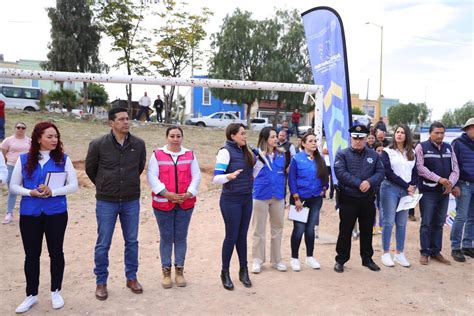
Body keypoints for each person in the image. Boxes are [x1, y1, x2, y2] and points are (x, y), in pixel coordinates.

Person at [10, 122, 78, 313]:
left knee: (56, 252)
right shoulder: (23, 160)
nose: (54, 140)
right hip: (30, 213)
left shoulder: (64, 159)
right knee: (31, 255)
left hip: (56, 213)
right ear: (38, 138)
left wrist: (53, 191)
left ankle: (56, 291)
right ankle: (31, 295)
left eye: (56, 136)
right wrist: (30, 192)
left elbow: (73, 185)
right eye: (49, 136)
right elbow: (14, 185)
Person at [86, 107, 147, 300]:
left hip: (130, 200)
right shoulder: (97, 144)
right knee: (103, 243)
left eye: (127, 119)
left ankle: (131, 277)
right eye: (121, 119)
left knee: (132, 241)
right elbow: (90, 169)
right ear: (111, 123)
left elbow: (139, 167)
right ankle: (101, 282)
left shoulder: (138, 144)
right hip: (106, 201)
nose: (126, 122)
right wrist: (105, 184)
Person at [147, 126, 201, 288]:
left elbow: (196, 176)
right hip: (163, 203)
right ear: (166, 137)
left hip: (185, 203)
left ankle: (179, 271)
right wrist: (166, 193)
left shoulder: (190, 155)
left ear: (182, 138)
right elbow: (152, 176)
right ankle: (166, 272)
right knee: (166, 237)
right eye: (172, 136)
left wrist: (189, 193)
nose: (175, 139)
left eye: (178, 136)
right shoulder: (157, 155)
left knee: (180, 237)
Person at [333, 124, 384, 273]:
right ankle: (341, 259)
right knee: (345, 230)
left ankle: (367, 259)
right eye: (355, 138)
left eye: (361, 138)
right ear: (351, 138)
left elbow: (380, 173)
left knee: (367, 230)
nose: (358, 141)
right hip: (348, 198)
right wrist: (359, 183)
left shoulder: (373, 155)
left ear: (366, 139)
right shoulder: (342, 154)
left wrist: (369, 182)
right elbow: (340, 173)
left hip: (367, 199)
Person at [213, 123, 255, 290]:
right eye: (242, 133)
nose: (245, 136)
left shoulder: (245, 151)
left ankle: (243, 270)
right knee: (231, 236)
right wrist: (228, 176)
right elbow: (216, 178)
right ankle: (225, 272)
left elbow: (251, 173)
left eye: (245, 133)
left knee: (242, 236)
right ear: (232, 136)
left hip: (246, 198)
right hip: (231, 200)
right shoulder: (225, 152)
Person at [415, 121, 459, 265]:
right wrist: (439, 179)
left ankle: (436, 251)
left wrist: (450, 183)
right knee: (427, 222)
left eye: (442, 133)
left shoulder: (448, 148)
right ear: (430, 133)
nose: (440, 136)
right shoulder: (421, 147)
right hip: (428, 192)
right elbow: (420, 168)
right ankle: (425, 252)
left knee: (439, 223)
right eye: (436, 133)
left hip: (444, 192)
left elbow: (455, 168)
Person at [288, 132, 328, 271]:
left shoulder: (320, 159)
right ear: (303, 144)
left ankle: (310, 257)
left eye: (315, 141)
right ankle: (294, 258)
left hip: (315, 198)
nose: (314, 143)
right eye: (310, 141)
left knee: (310, 229)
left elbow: (325, 177)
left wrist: (324, 188)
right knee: (299, 229)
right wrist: (296, 198)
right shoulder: (297, 159)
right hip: (300, 199)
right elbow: (292, 179)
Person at [379, 125, 418, 268]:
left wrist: (413, 186)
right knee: (389, 222)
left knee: (402, 223)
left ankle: (399, 253)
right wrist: (406, 185)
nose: (399, 135)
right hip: (390, 189)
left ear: (407, 135)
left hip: (407, 191)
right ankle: (385, 253)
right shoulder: (387, 151)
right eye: (397, 132)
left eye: (402, 132)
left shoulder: (412, 152)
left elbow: (415, 171)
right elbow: (388, 172)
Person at [251, 127, 287, 274]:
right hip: (261, 195)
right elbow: (252, 174)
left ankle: (277, 260)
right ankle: (257, 260)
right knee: (258, 229)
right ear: (265, 138)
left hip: (278, 196)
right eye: (272, 137)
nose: (276, 139)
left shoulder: (282, 155)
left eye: (276, 136)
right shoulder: (256, 155)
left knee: (277, 228)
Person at [450, 118, 474, 262]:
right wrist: (455, 184)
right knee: (461, 216)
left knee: (473, 217)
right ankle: (455, 247)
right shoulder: (457, 144)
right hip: (463, 184)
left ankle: (467, 245)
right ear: (469, 128)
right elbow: (453, 165)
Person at [2, 122, 31, 224]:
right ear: (15, 128)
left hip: (26, 167)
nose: (20, 129)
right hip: (11, 166)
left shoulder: (29, 141)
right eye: (18, 127)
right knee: (13, 190)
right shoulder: (8, 140)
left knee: (27, 190)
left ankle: (27, 213)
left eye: (23, 128)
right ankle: (9, 213)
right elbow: (3, 152)